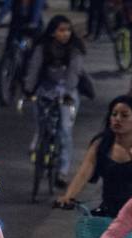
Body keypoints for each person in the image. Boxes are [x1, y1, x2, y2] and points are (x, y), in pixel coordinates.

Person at [56, 95, 132, 214]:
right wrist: (68, 196)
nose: (118, 119)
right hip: (109, 211)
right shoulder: (102, 144)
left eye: (124, 115)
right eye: (114, 114)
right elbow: (84, 173)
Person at [24, 15, 86, 187]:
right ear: (52, 32)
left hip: (67, 93)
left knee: (65, 130)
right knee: (41, 123)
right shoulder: (42, 48)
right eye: (61, 30)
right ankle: (39, 145)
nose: (65, 34)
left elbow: (74, 74)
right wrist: (29, 90)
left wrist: (66, 94)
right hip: (45, 90)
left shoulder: (75, 50)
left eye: (68, 30)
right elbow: (34, 69)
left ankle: (62, 172)